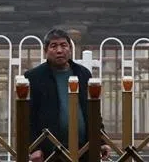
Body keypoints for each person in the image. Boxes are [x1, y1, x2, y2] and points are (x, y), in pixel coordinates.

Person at [25, 28, 110, 162]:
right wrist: (33, 147)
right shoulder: (34, 77)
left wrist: (102, 141)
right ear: (45, 50)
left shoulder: (83, 74)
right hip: (50, 151)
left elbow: (93, 113)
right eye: (54, 46)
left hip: (84, 149)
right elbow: (27, 117)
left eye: (63, 45)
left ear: (70, 49)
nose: (59, 50)